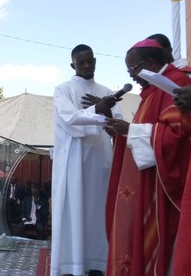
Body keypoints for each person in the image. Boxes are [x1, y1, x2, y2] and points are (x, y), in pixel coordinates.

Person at [105, 38, 191, 275]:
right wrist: (121, 133)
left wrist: (130, 130)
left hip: (160, 188)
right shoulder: (152, 90)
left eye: (133, 68)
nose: (131, 76)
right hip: (148, 181)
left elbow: (176, 136)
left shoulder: (176, 82)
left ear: (151, 64)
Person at [51, 44, 121, 276]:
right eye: (82, 62)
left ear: (95, 60)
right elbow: (69, 119)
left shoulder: (107, 91)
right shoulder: (63, 90)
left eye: (90, 61)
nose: (87, 65)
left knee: (99, 212)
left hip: (101, 163)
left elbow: (118, 125)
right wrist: (96, 108)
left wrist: (106, 110)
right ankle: (74, 265)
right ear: (73, 65)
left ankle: (99, 264)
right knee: (76, 211)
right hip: (74, 164)